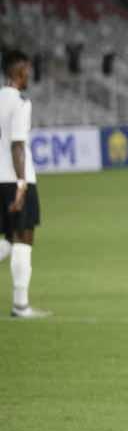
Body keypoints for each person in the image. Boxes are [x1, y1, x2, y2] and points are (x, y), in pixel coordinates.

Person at [0, 49, 48, 318]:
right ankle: (21, 305)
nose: (29, 74)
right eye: (27, 70)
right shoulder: (20, 102)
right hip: (16, 177)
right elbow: (17, 145)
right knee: (24, 238)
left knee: (9, 238)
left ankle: (21, 305)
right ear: (17, 71)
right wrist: (21, 185)